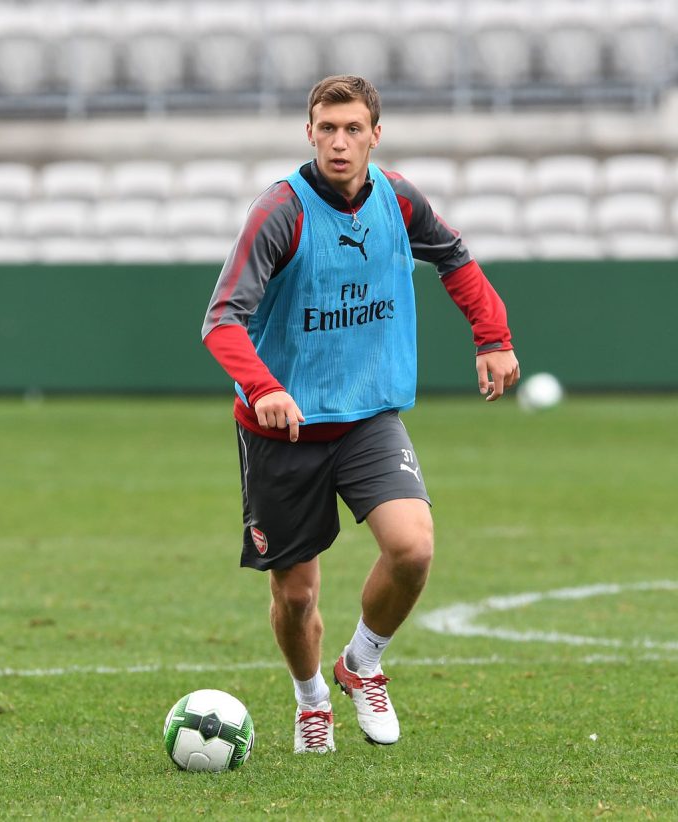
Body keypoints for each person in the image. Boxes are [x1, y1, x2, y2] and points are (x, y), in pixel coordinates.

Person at [202, 75, 520, 754]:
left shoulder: (399, 200)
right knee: (295, 599)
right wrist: (264, 388)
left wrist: (492, 338)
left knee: (413, 547)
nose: (339, 142)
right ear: (309, 133)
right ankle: (311, 696)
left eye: (352, 129)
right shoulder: (279, 213)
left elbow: (456, 259)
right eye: (326, 128)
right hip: (281, 430)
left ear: (376, 134)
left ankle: (363, 662)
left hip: (368, 417)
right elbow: (222, 320)